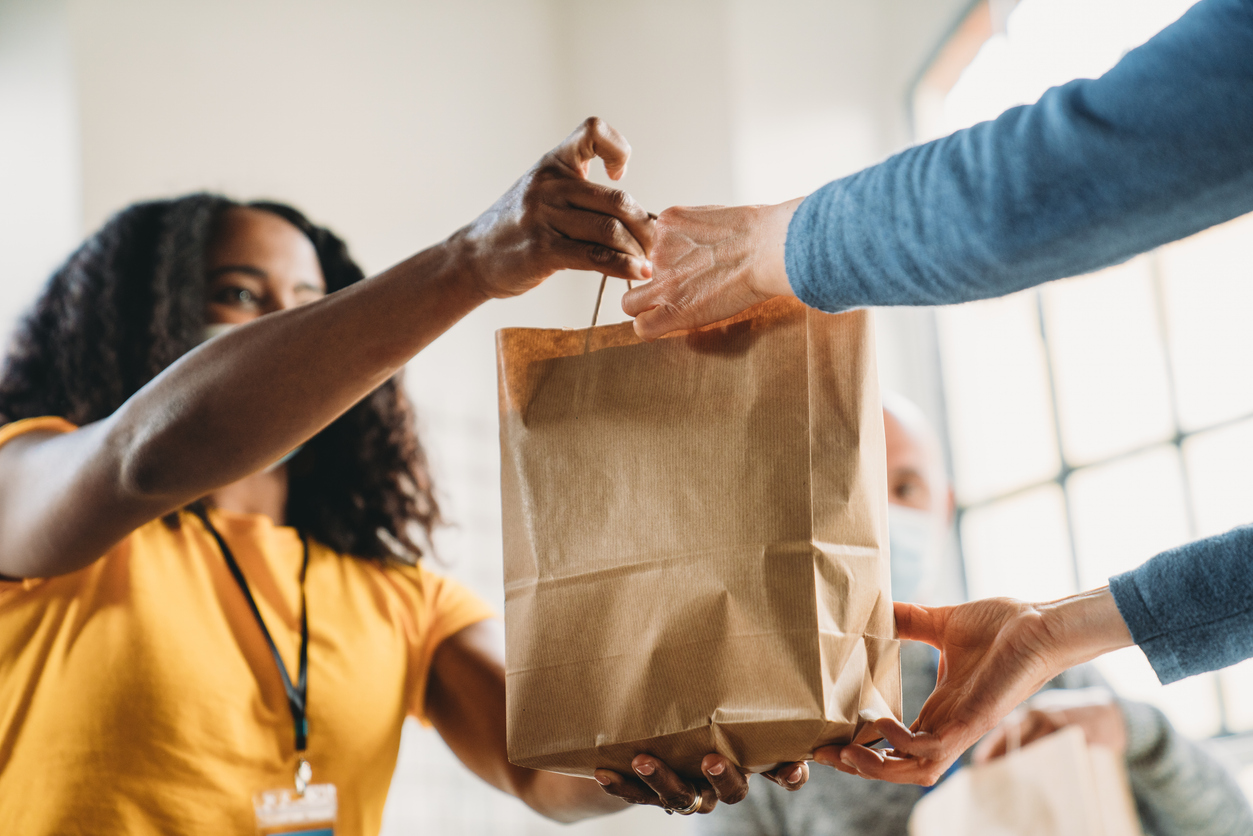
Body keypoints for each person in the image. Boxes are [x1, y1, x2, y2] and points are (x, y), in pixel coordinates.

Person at [0, 118, 805, 835]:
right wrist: (470, 263)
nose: (289, 322)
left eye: (313, 299)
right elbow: (144, 457)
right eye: (240, 295)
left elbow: (538, 762)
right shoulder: (26, 488)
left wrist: (689, 740)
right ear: (140, 318)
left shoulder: (400, 596)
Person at [617, 0, 1253, 785]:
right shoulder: (748, 698)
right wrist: (1051, 632)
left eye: (905, 483)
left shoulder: (1082, 698)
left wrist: (770, 247)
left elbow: (1061, 174)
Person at [697, 395, 1253, 836]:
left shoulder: (1041, 677)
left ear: (946, 503)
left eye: (906, 487)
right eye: (855, 490)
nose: (885, 516)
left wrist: (1137, 733)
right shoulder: (764, 735)